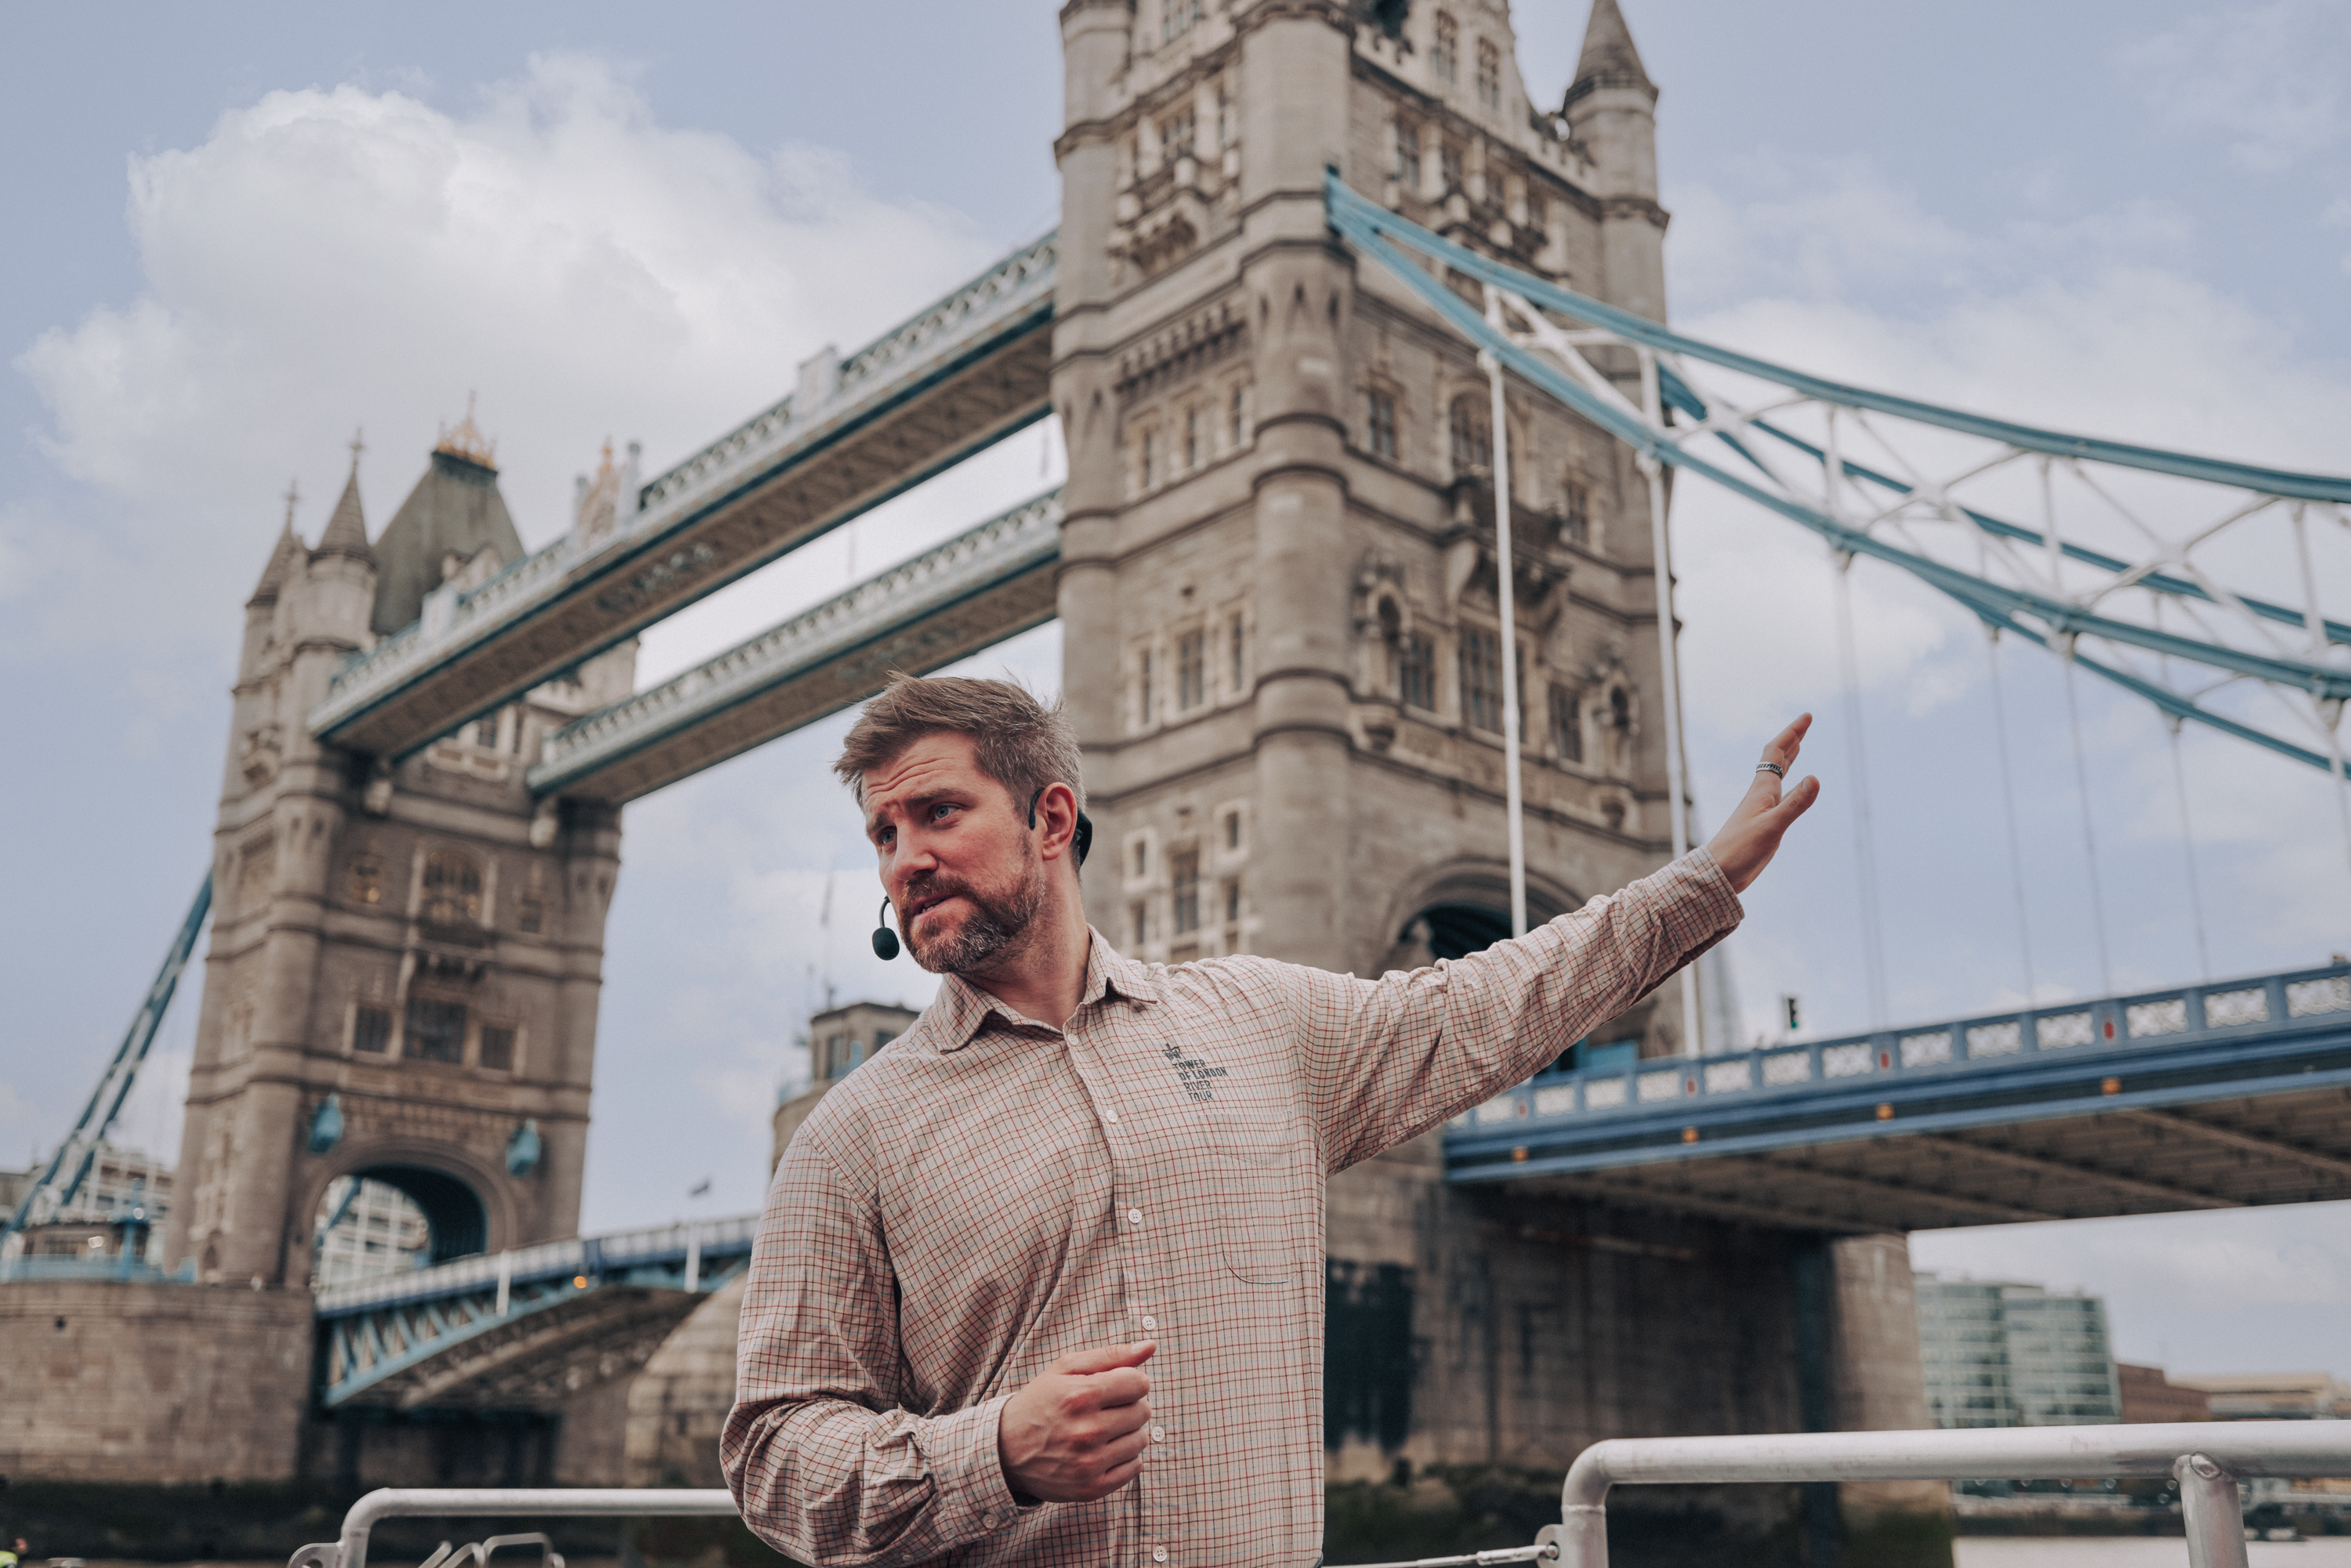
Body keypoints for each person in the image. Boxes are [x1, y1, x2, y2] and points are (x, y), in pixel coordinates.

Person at [723, 675, 1818, 1568]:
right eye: (882, 831)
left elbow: (1483, 1003)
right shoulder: (850, 1136)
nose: (904, 857)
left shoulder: (1262, 1022)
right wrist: (992, 1450)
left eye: (939, 811)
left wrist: (1698, 883)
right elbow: (776, 1454)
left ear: (1050, 817)